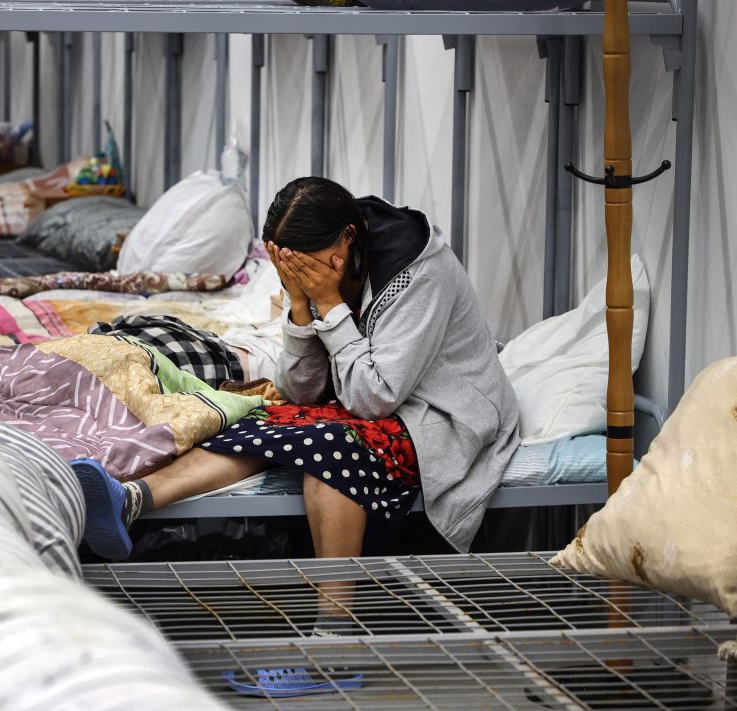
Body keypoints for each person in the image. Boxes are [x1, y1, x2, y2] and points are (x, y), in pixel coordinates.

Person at [75, 177, 520, 580]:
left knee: (329, 450)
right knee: (259, 418)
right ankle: (129, 498)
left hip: (441, 415)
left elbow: (374, 398)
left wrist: (329, 303)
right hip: (375, 402)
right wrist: (301, 306)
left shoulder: (419, 276)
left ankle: (334, 635)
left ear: (347, 239)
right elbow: (299, 391)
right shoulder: (332, 256)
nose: (303, 277)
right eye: (292, 271)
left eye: (307, 270)